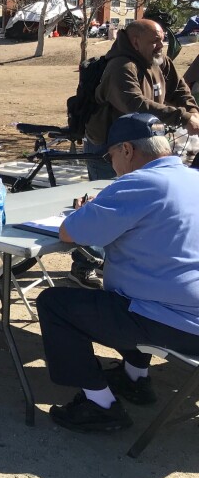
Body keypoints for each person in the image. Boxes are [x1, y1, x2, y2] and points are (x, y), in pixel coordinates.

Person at [37, 113, 199, 433]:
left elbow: (71, 231)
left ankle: (100, 404)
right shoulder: (193, 177)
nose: (112, 165)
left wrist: (89, 209)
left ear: (126, 149)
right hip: (184, 310)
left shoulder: (139, 182)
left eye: (110, 156)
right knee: (125, 292)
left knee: (55, 304)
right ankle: (134, 379)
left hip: (174, 321)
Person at [74, 19, 199, 288]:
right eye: (155, 39)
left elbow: (180, 89)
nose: (161, 43)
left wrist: (192, 110)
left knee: (136, 206)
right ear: (135, 41)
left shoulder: (160, 61)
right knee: (108, 202)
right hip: (110, 145)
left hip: (141, 146)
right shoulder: (121, 66)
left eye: (163, 38)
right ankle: (84, 264)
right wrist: (182, 117)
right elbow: (134, 104)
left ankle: (117, 262)